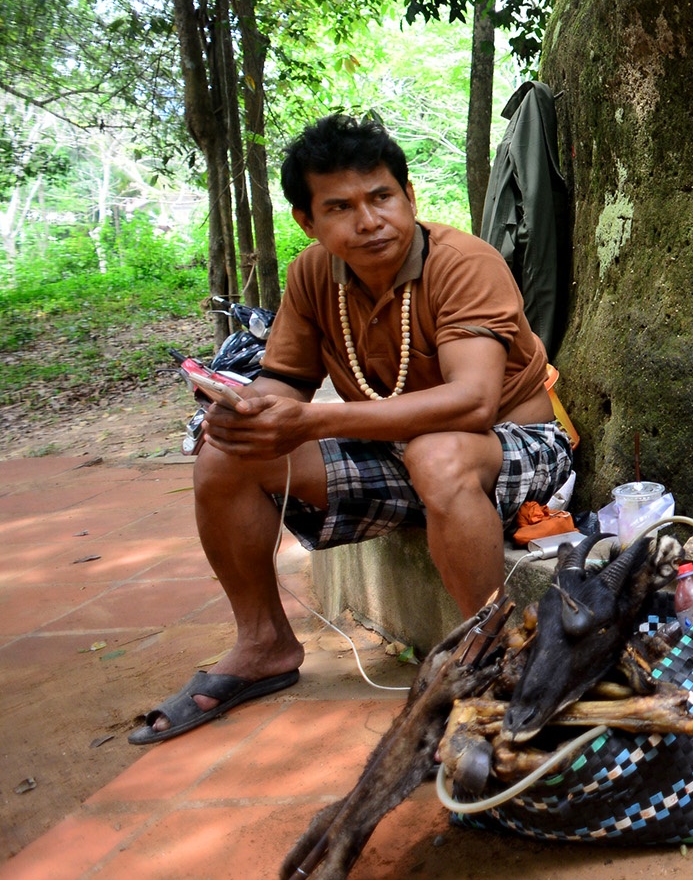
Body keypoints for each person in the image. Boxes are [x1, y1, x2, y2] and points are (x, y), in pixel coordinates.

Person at [132, 115, 573, 744]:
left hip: (512, 449)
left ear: (409, 196)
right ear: (307, 222)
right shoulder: (312, 276)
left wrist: (314, 419)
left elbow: (472, 404)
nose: (369, 221)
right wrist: (250, 408)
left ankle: (489, 652)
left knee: (440, 453)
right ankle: (264, 645)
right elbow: (286, 381)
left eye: (382, 197)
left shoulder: (462, 263)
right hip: (402, 452)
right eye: (340, 206)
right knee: (224, 453)